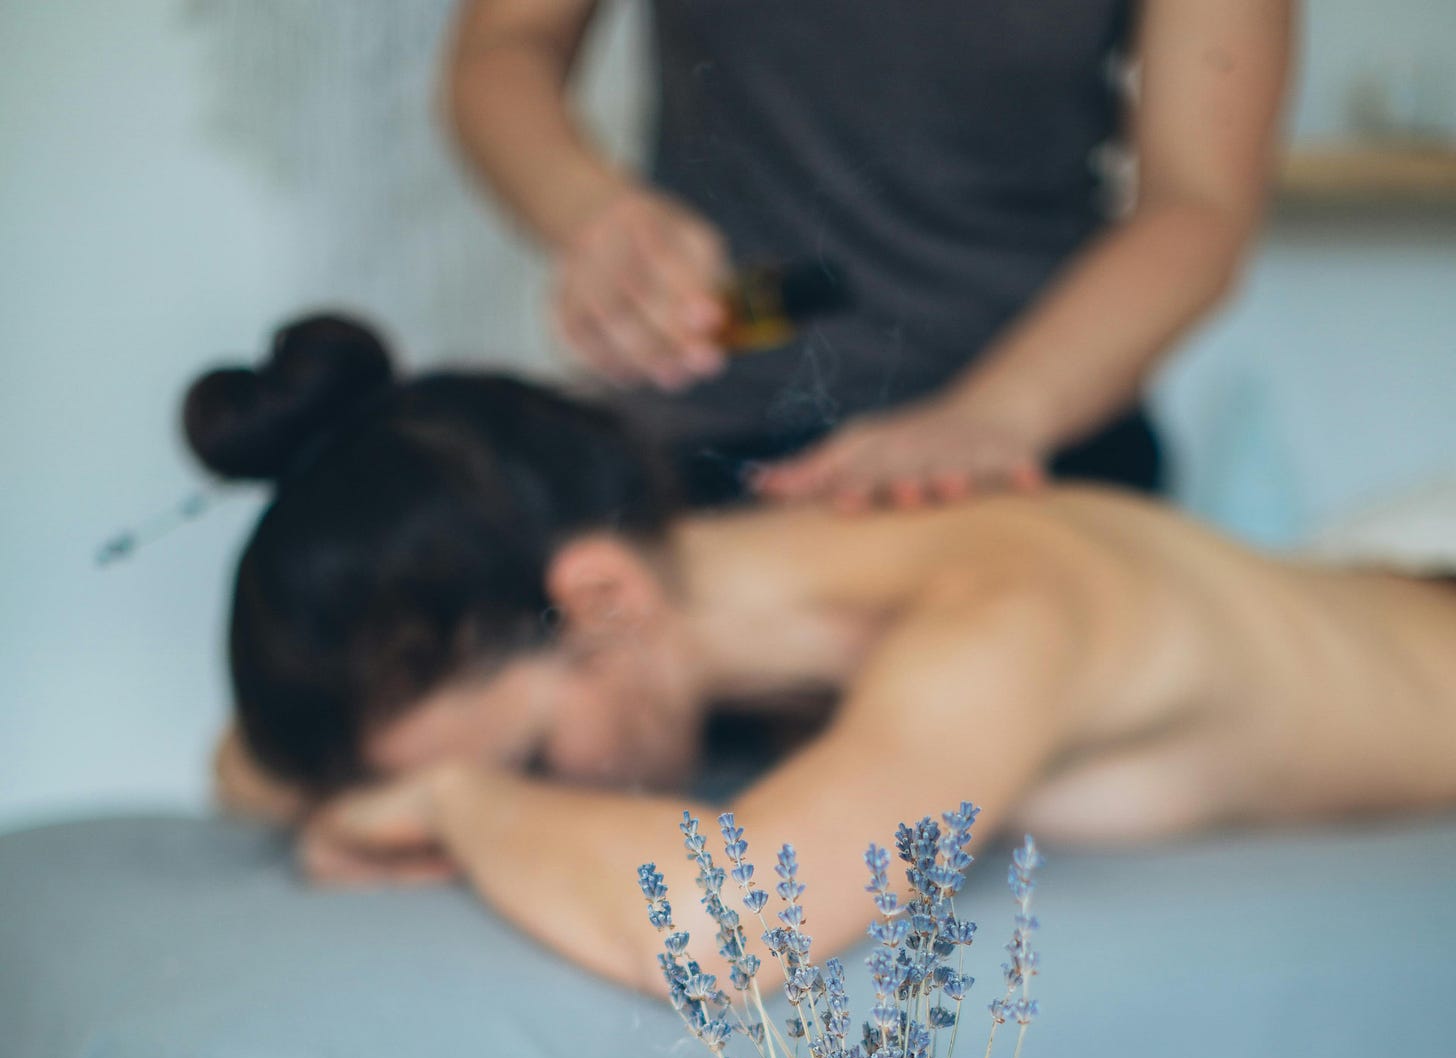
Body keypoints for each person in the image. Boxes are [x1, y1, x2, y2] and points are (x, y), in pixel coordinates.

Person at [199, 316, 1456, 990]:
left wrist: (458, 800)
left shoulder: (998, 615)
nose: (556, 796)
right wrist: (398, 776)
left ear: (599, 600)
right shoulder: (708, 597)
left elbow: (731, 927)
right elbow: (246, 764)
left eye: (534, 753)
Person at [444, 0, 1292, 505]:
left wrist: (996, 417)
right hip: (707, 435)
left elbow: (1199, 206)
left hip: (1032, 443)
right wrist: (590, 211)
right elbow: (505, 46)